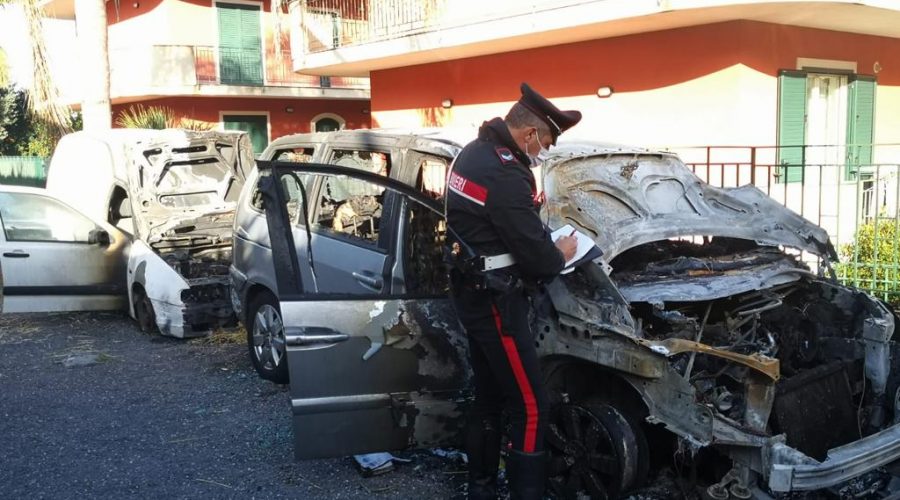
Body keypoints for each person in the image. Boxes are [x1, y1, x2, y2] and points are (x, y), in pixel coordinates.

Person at [445, 83, 581, 499]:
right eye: (546, 142)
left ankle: (481, 489)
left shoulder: (473, 152)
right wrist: (559, 252)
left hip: (472, 293)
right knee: (532, 406)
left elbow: (499, 226)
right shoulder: (505, 173)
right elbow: (538, 259)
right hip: (497, 304)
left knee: (488, 397)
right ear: (529, 135)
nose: (543, 152)